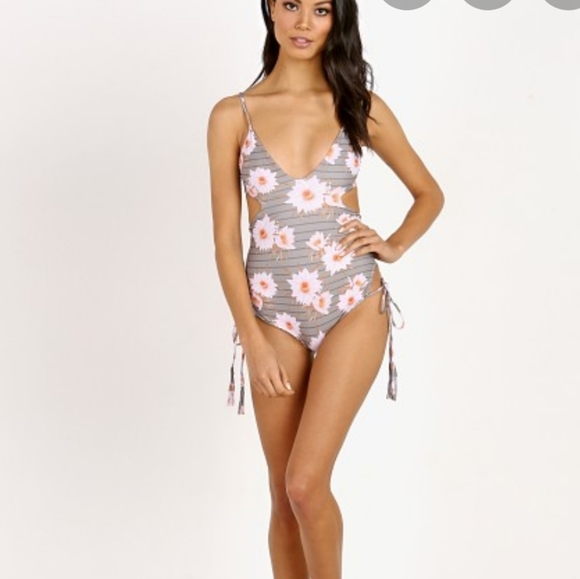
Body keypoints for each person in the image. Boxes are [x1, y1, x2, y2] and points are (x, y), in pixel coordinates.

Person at [207, 0, 444, 576]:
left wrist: (392, 244)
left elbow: (429, 193)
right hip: (271, 316)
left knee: (306, 482)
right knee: (283, 494)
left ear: (338, 18)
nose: (303, 23)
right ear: (270, 7)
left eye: (320, 10)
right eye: (291, 5)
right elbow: (225, 242)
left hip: (352, 304)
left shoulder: (358, 106)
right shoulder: (233, 115)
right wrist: (253, 341)